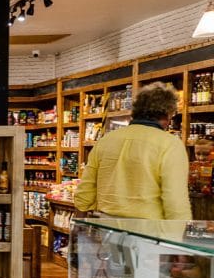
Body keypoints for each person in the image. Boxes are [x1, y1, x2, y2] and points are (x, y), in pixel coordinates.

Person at [75, 82, 191, 220]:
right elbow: (176, 201)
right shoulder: (170, 144)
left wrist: (78, 228)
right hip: (148, 232)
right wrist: (178, 235)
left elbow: (85, 191)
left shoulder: (106, 140)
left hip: (107, 227)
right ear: (167, 114)